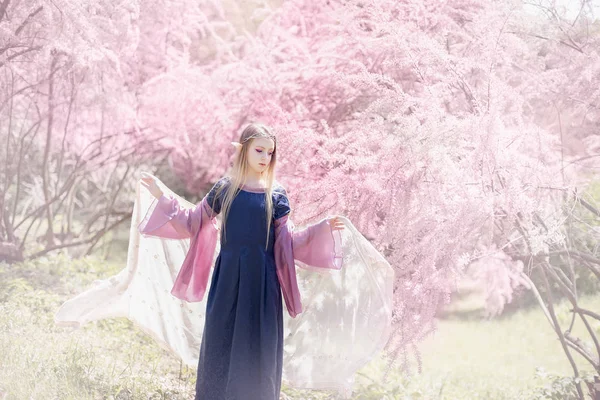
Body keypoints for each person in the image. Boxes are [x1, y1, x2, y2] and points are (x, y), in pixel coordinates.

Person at [55, 123, 395, 400]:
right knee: (222, 338)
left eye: (270, 152)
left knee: (257, 346)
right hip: (228, 278)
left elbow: (288, 242)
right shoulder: (224, 189)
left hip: (262, 283)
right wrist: (161, 195)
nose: (264, 157)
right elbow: (191, 221)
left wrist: (322, 230)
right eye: (258, 149)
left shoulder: (277, 196)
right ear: (244, 149)